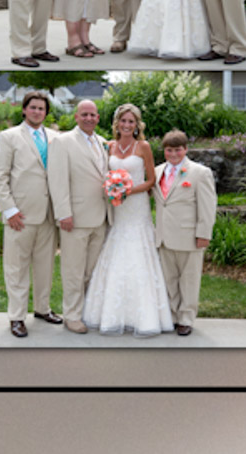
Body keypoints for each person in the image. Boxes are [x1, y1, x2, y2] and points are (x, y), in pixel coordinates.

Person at [82, 104, 173, 337]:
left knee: (137, 251)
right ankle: (109, 312)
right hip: (118, 209)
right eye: (123, 121)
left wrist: (128, 191)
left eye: (131, 121)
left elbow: (151, 180)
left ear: (137, 125)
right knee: (117, 246)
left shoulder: (143, 147)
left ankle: (144, 316)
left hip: (136, 206)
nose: (127, 125)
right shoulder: (109, 146)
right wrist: (113, 189)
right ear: (117, 123)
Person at [0, 92, 62, 338]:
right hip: (19, 215)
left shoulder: (55, 137)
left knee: (45, 267)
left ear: (46, 112)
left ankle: (43, 309)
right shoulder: (9, 137)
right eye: (33, 107)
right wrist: (9, 209)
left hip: (48, 215)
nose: (37, 112)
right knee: (16, 269)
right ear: (24, 110)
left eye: (42, 109)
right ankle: (17, 317)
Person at [47, 99, 113, 334]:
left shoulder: (103, 142)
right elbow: (57, 180)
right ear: (76, 117)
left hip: (101, 217)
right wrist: (63, 213)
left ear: (97, 118)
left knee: (92, 271)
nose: (89, 118)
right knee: (73, 271)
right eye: (84, 114)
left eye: (93, 115)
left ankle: (86, 311)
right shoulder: (62, 142)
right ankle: (72, 315)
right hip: (74, 219)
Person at [152, 130, 216, 336]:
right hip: (163, 236)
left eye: (177, 149)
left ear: (185, 149)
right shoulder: (157, 171)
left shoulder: (200, 173)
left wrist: (203, 233)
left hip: (189, 236)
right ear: (164, 151)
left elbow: (207, 206)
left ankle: (186, 318)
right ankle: (171, 316)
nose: (173, 154)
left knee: (189, 280)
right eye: (169, 150)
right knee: (168, 279)